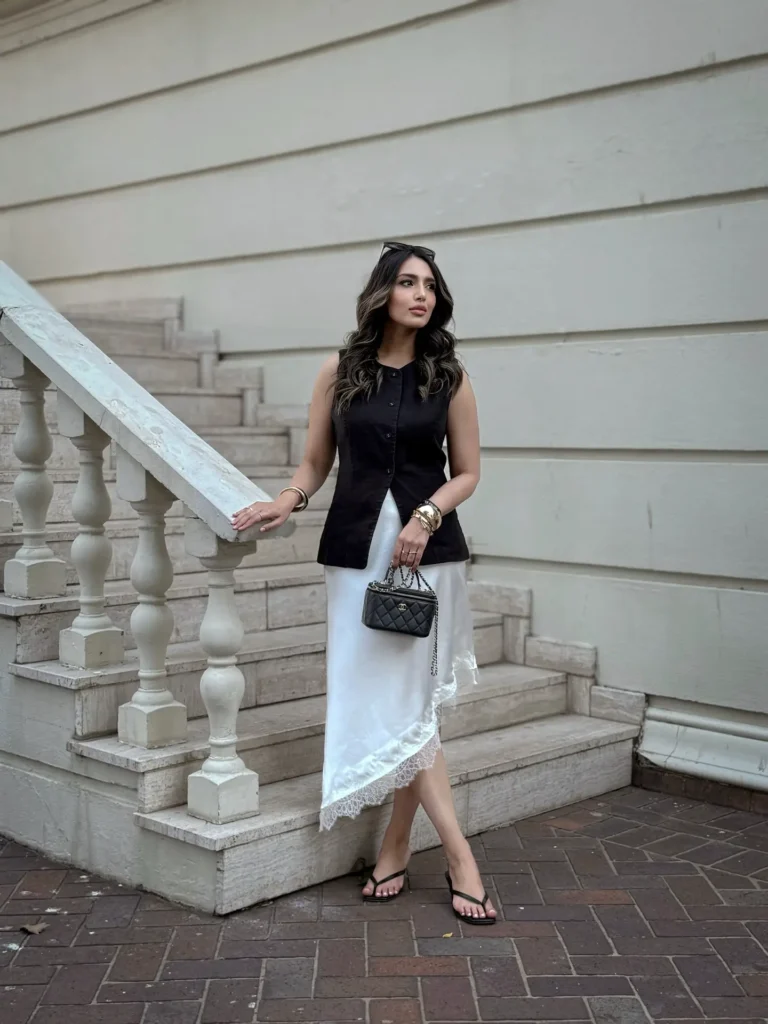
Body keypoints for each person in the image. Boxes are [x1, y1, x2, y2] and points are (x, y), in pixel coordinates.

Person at [232, 241, 496, 924]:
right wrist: (284, 499)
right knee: (398, 702)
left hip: (426, 554)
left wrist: (427, 514)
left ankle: (456, 855)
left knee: (413, 705)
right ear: (383, 291)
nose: (421, 295)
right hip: (356, 553)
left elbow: (467, 470)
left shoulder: (450, 376)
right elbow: (315, 461)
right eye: (407, 282)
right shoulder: (339, 370)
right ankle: (399, 843)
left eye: (430, 286)